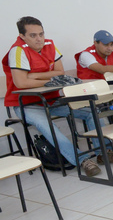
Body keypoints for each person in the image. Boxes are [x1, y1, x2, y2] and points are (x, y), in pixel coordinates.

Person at [3, 17, 103, 176]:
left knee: (92, 111)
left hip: (50, 100)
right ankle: (82, 160)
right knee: (49, 126)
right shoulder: (17, 50)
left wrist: (34, 76)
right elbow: (21, 83)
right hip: (27, 105)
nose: (39, 39)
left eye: (41, 34)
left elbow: (60, 72)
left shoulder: (49, 44)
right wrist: (50, 79)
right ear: (22, 36)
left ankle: (104, 152)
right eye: (33, 35)